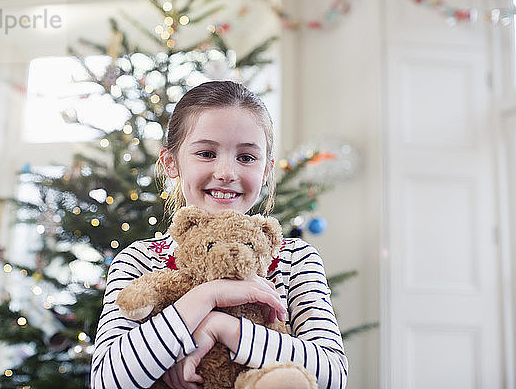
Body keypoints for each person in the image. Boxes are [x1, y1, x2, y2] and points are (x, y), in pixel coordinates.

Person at [91, 81, 348, 389]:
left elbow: (332, 376)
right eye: (206, 153)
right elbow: (108, 380)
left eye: (247, 157)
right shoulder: (140, 260)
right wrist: (206, 296)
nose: (226, 172)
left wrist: (221, 327)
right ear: (171, 163)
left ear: (266, 168)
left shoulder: (295, 259)